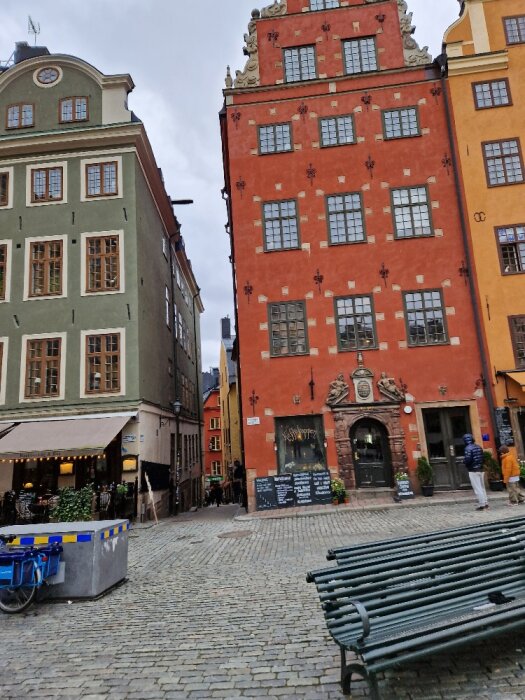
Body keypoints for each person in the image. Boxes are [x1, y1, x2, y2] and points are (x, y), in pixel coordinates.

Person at [463, 433, 489, 511]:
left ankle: (482, 505)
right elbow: (483, 458)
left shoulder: (468, 448)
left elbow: (468, 459)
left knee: (477, 488)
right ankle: (485, 502)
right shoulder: (479, 447)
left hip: (473, 470)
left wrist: (464, 461)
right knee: (482, 487)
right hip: (481, 469)